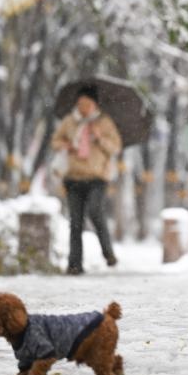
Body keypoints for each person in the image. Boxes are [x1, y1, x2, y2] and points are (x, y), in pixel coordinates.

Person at [50, 84, 123, 275]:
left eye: (87, 104)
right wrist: (66, 145)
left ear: (95, 105)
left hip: (97, 177)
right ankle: (74, 264)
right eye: (80, 104)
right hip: (73, 177)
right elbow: (55, 142)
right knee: (75, 221)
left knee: (95, 210)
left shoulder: (104, 123)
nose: (83, 108)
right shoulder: (69, 121)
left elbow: (115, 148)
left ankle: (108, 252)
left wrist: (99, 138)